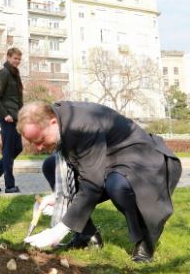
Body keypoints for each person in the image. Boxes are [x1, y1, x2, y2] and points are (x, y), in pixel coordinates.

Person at [17, 100, 182, 263]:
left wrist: (60, 229)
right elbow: (79, 171)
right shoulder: (62, 120)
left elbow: (91, 184)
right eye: (33, 143)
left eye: (39, 140)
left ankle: (146, 239)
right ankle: (87, 235)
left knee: (118, 186)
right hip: (109, 158)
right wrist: (58, 197)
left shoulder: (82, 125)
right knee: (50, 165)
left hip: (140, 159)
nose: (38, 148)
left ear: (53, 122)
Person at [0, 47, 24, 193]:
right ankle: (10, 186)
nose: (17, 61)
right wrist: (5, 114)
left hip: (15, 118)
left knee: (18, 148)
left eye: (19, 59)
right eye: (15, 58)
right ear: (8, 57)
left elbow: (16, 99)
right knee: (8, 151)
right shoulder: (4, 73)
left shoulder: (14, 74)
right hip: (7, 118)